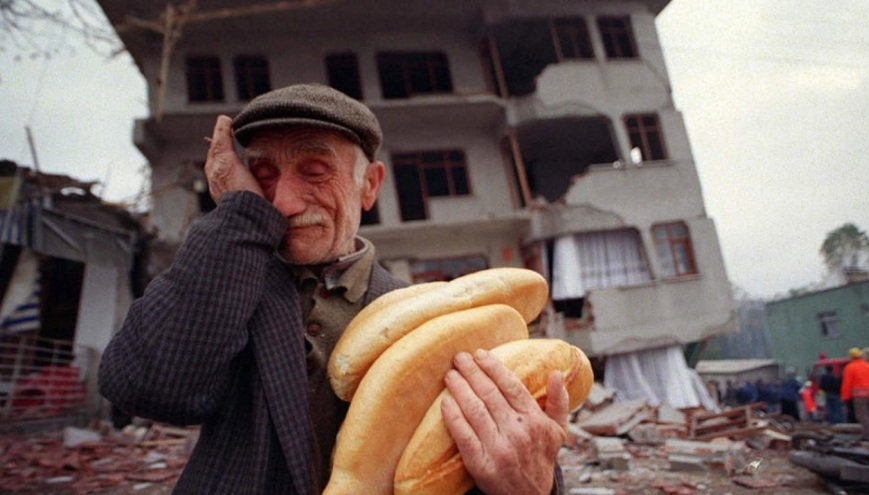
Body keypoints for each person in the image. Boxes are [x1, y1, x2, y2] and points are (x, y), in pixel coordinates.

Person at [98, 84, 569, 494]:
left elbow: (462, 465)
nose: (282, 201)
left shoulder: (434, 321)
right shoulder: (225, 287)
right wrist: (240, 214)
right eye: (263, 176)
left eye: (314, 170)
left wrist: (534, 486)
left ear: (370, 186)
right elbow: (146, 387)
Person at [841, 347, 869, 442]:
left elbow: (847, 383)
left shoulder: (850, 367)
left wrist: (845, 397)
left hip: (859, 396)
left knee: (863, 415)